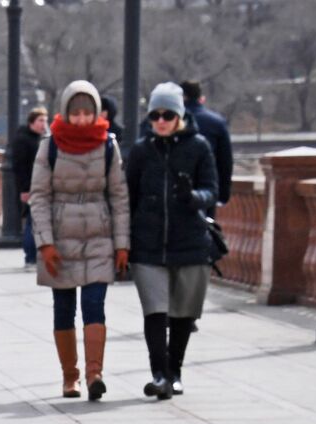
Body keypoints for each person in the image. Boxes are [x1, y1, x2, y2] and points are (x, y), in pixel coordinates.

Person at [29, 79, 129, 401]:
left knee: (94, 304)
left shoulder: (108, 145)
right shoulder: (51, 145)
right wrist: (44, 242)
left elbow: (119, 197)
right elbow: (40, 197)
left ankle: (94, 373)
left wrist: (122, 243)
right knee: (63, 307)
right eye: (77, 113)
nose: (83, 119)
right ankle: (69, 376)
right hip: (61, 237)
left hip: (99, 237)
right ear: (66, 113)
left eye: (89, 113)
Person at [128, 81, 219, 400]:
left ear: (179, 115)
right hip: (148, 244)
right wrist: (125, 241)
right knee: (155, 311)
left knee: (183, 313)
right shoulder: (141, 150)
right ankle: (159, 373)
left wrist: (193, 196)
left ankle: (175, 372)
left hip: (190, 243)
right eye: (155, 115)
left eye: (167, 114)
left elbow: (213, 191)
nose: (161, 121)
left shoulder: (199, 147)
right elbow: (128, 195)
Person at [181, 80, 233, 205]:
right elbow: (225, 161)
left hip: (176, 190)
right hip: (207, 190)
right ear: (201, 98)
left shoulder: (169, 122)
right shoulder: (217, 123)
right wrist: (222, 194)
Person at [8, 106, 47, 268]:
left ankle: (33, 256)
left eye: (45, 120)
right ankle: (30, 256)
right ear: (32, 122)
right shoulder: (24, 140)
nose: (44, 124)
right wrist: (24, 189)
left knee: (35, 221)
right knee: (32, 221)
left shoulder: (39, 138)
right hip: (30, 186)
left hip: (39, 185)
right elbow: (20, 166)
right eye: (40, 120)